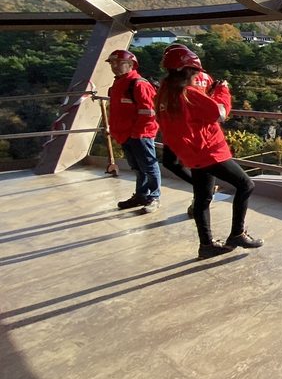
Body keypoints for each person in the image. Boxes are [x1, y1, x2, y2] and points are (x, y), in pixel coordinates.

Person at [156, 47, 263, 259]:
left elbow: (189, 116)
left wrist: (208, 96)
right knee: (246, 185)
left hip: (192, 154)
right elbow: (220, 113)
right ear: (189, 70)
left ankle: (206, 245)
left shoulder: (165, 93)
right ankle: (237, 234)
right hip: (208, 151)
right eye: (196, 71)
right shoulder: (189, 93)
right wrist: (222, 91)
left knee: (203, 197)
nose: (198, 75)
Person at [159, 44, 223, 218]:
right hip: (198, 131)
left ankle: (199, 201)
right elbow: (212, 99)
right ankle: (200, 199)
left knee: (182, 165)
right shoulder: (205, 77)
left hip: (184, 130)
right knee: (197, 168)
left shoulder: (172, 83)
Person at [106, 49, 161, 213]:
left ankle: (154, 197)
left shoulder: (138, 84)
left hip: (140, 134)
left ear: (131, 64)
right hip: (126, 134)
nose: (114, 66)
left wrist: (138, 133)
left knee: (149, 166)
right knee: (137, 167)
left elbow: (150, 112)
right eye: (112, 63)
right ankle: (141, 195)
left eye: (118, 63)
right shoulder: (119, 84)